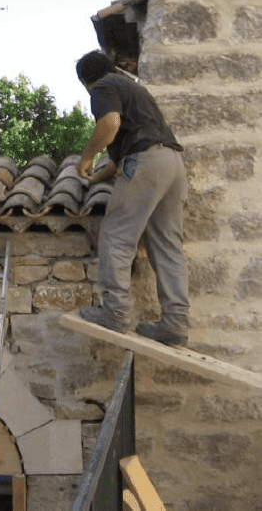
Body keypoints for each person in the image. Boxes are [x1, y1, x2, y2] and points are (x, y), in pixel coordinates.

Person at [75, 51, 190, 347]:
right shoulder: (135, 90)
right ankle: (175, 324)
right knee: (167, 244)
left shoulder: (102, 87)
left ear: (86, 81)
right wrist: (98, 176)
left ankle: (115, 312)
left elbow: (110, 125)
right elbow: (126, 147)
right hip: (172, 163)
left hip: (145, 162)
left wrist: (86, 157)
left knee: (116, 236)